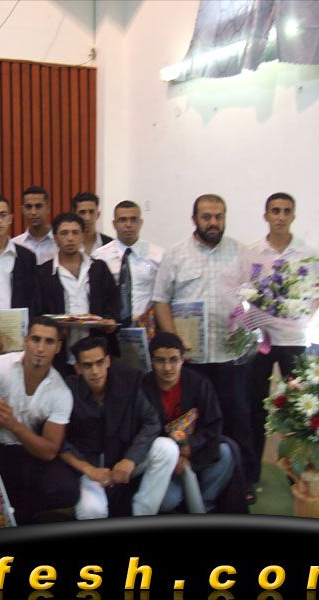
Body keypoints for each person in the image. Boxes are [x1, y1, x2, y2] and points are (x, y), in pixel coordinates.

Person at [151, 194, 254, 493]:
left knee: (237, 420)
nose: (213, 222)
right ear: (194, 219)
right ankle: (193, 482)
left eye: (219, 216)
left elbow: (255, 297)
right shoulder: (176, 255)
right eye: (207, 217)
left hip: (228, 356)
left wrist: (247, 327)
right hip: (191, 360)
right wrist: (175, 345)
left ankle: (243, 483)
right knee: (193, 425)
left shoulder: (241, 253)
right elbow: (160, 300)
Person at [242, 192, 319, 495]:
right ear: (265, 215)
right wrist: (250, 322)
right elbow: (242, 292)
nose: (280, 216)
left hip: (294, 341)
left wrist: (301, 319)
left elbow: (318, 293)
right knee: (255, 407)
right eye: (275, 211)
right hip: (261, 341)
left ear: (293, 216)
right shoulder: (251, 252)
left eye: (286, 211)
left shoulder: (308, 253)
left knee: (298, 410)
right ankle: (251, 474)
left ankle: (297, 474)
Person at [0, 316, 80, 524]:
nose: (41, 348)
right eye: (36, 339)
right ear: (26, 340)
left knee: (67, 490)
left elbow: (49, 451)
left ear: (58, 347)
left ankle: (25, 514)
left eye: (49, 342)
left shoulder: (62, 392)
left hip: (29, 452)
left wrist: (14, 425)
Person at [61, 336, 178, 518]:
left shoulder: (128, 382)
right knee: (92, 511)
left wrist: (130, 459)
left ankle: (142, 516)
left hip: (123, 459)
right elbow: (59, 441)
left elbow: (152, 421)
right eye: (88, 365)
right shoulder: (67, 390)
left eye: (100, 363)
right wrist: (88, 470)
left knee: (167, 448)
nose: (95, 371)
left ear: (108, 361)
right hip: (89, 469)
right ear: (78, 368)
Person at [141, 332, 239, 514]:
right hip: (163, 458)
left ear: (182, 359)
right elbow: (142, 431)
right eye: (160, 361)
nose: (167, 367)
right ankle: (185, 503)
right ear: (152, 361)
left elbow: (213, 424)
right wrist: (173, 455)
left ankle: (204, 503)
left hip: (196, 451)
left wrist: (190, 446)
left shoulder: (199, 383)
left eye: (173, 360)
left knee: (225, 452)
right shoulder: (143, 388)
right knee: (167, 502)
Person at [36, 213, 120, 375]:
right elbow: (38, 312)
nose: (70, 238)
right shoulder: (43, 273)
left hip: (96, 350)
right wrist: (55, 329)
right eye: (64, 233)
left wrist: (110, 321)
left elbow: (113, 303)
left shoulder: (99, 268)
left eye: (75, 232)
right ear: (55, 237)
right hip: (60, 353)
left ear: (83, 235)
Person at [92, 200, 163, 328]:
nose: (128, 225)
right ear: (114, 224)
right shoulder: (99, 257)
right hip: (110, 327)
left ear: (140, 223)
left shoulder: (158, 255)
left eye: (133, 220)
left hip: (146, 327)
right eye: (123, 220)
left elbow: (162, 295)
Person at [12, 186, 57, 265]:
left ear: (48, 208)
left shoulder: (59, 243)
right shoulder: (14, 245)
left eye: (38, 206)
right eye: (28, 207)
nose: (33, 212)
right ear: (23, 210)